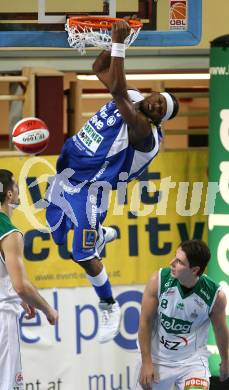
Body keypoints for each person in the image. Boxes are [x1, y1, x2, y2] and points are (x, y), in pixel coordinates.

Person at [45, 20, 179, 344]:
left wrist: (119, 43)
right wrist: (109, 41)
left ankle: (108, 305)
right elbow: (99, 67)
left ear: (159, 119)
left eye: (161, 109)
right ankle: (103, 235)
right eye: (159, 98)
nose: (156, 103)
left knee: (81, 252)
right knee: (57, 234)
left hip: (93, 188)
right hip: (71, 170)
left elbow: (117, 90)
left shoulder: (145, 134)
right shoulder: (133, 95)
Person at [133, 239, 229, 390]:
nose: (172, 263)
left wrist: (225, 361)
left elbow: (221, 331)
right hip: (157, 359)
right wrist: (146, 363)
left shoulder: (215, 296)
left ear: (194, 270)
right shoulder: (158, 280)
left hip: (192, 363)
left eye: (179, 262)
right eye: (174, 257)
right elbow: (145, 322)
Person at [0, 169, 58, 390]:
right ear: (9, 195)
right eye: (15, 186)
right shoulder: (9, 233)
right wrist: (47, 309)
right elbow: (22, 286)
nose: (18, 191)